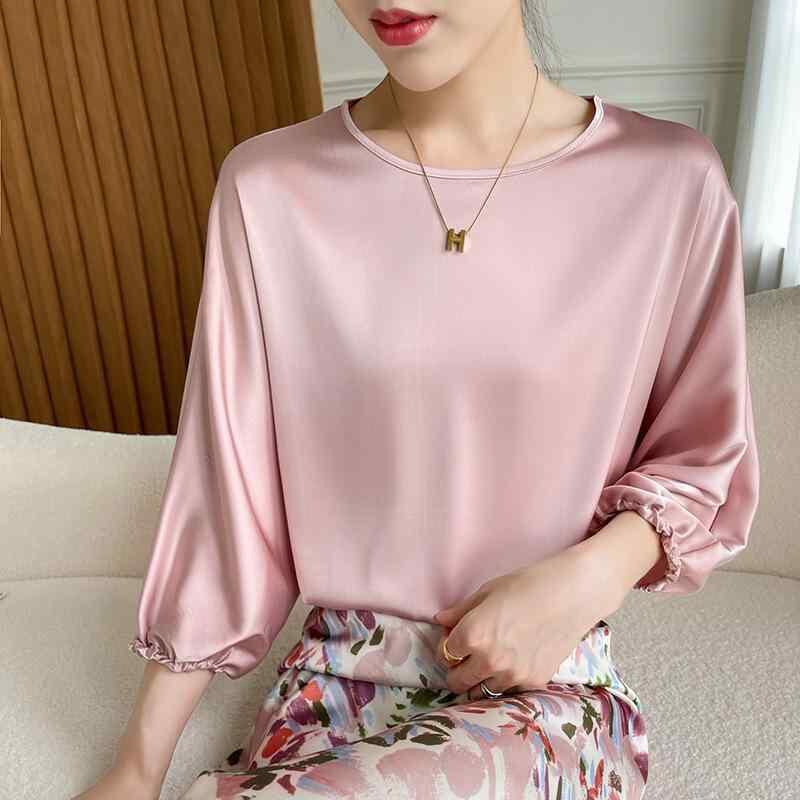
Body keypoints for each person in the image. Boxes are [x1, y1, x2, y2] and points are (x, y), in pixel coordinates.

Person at [74, 1, 760, 798]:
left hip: (544, 701)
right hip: (330, 697)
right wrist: (137, 766)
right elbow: (229, 498)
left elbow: (704, 457)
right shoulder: (269, 188)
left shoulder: (668, 180)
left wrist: (586, 581)